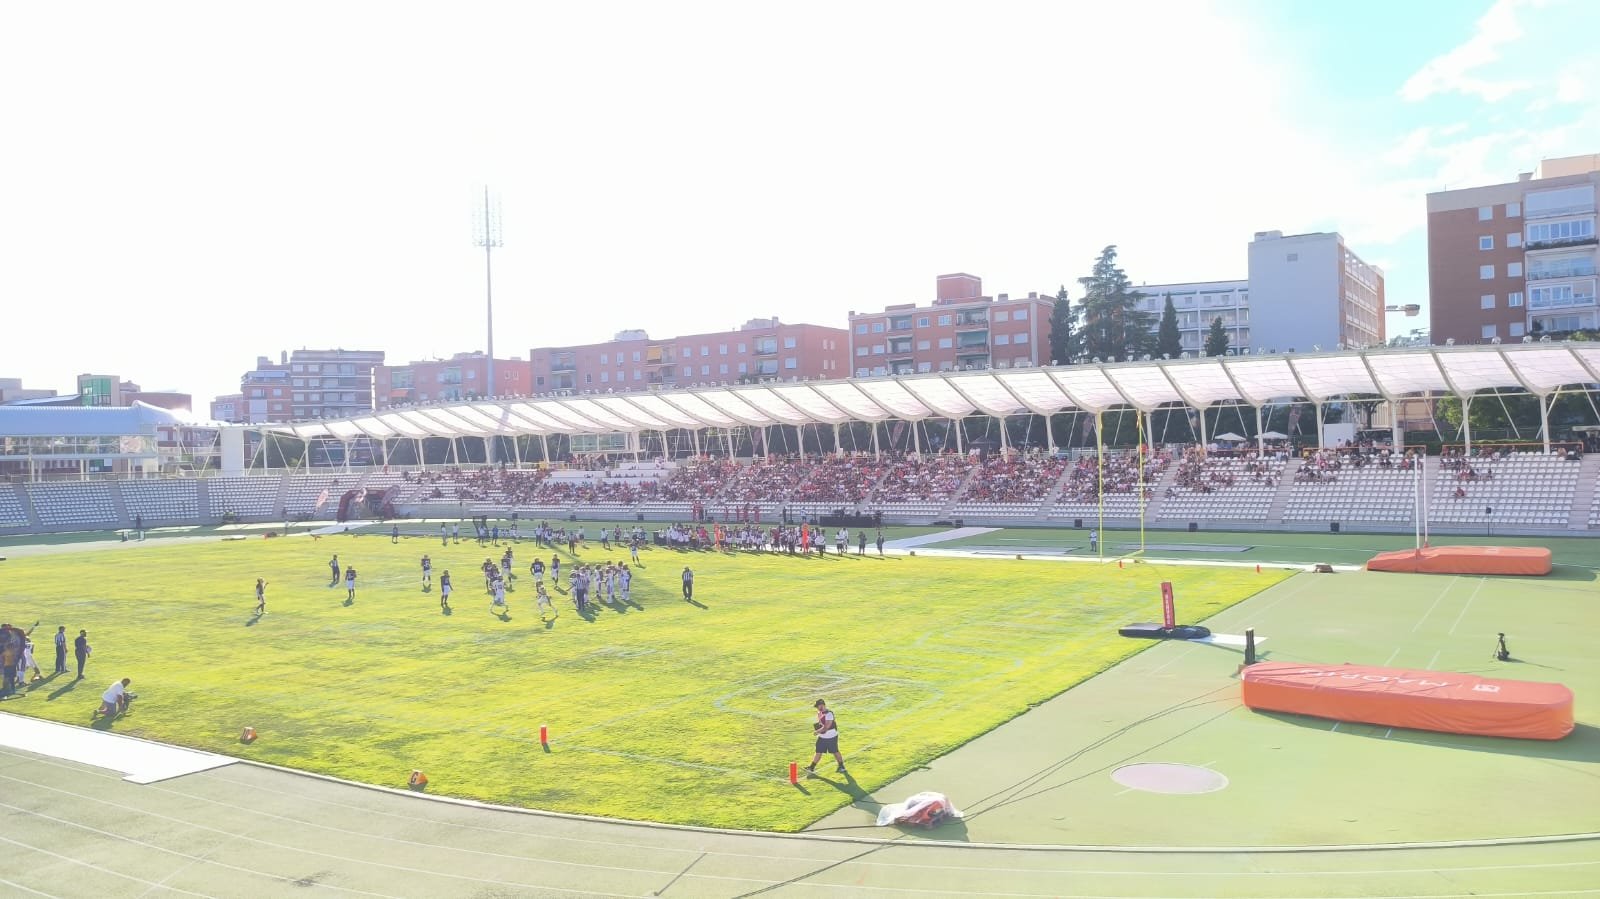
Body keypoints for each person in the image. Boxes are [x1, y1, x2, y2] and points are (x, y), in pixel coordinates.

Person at [806, 699, 846, 776]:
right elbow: (821, 724)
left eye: (818, 706)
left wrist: (817, 731)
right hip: (822, 737)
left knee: (835, 751)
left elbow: (826, 727)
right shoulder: (819, 713)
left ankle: (841, 766)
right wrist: (818, 728)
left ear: (822, 705)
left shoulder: (829, 714)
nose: (817, 708)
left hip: (831, 737)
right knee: (818, 751)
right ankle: (811, 767)